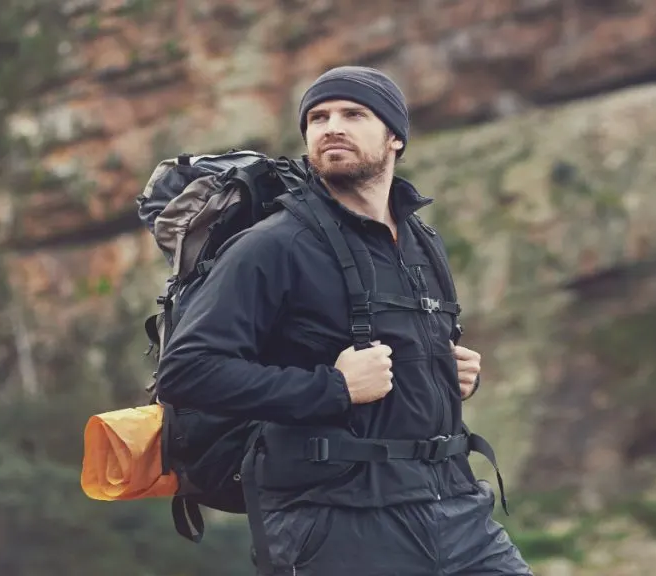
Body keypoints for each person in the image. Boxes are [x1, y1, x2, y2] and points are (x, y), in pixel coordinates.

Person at [155, 65, 533, 576]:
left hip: (457, 509)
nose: (331, 126)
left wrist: (448, 375)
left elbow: (392, 358)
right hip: (335, 524)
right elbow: (187, 372)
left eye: (353, 114)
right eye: (317, 117)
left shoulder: (422, 241)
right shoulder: (274, 245)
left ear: (395, 136)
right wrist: (333, 387)